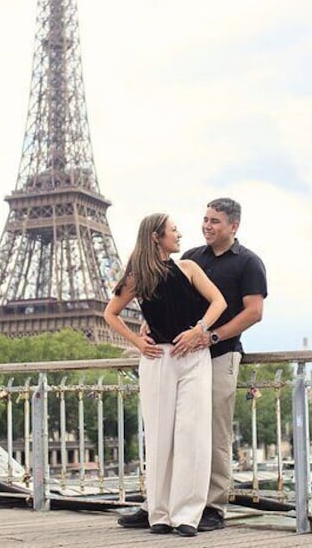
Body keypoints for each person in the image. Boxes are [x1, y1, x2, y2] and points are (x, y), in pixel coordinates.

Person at [118, 197, 267, 532]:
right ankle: (161, 504)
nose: (206, 226)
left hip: (220, 352)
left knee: (210, 434)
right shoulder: (189, 258)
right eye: (205, 219)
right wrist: (148, 325)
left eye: (215, 221)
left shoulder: (248, 262)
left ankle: (212, 507)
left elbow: (254, 312)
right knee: (169, 432)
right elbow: (168, 298)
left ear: (234, 226)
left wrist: (209, 336)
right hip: (180, 354)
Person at [104, 213, 226, 537]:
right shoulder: (137, 278)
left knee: (192, 436)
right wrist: (137, 343)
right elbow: (110, 313)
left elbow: (219, 302)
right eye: (174, 230)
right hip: (158, 358)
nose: (180, 234)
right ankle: (159, 513)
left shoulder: (188, 268)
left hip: (194, 356)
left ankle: (187, 515)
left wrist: (199, 330)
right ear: (157, 236)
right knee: (159, 439)